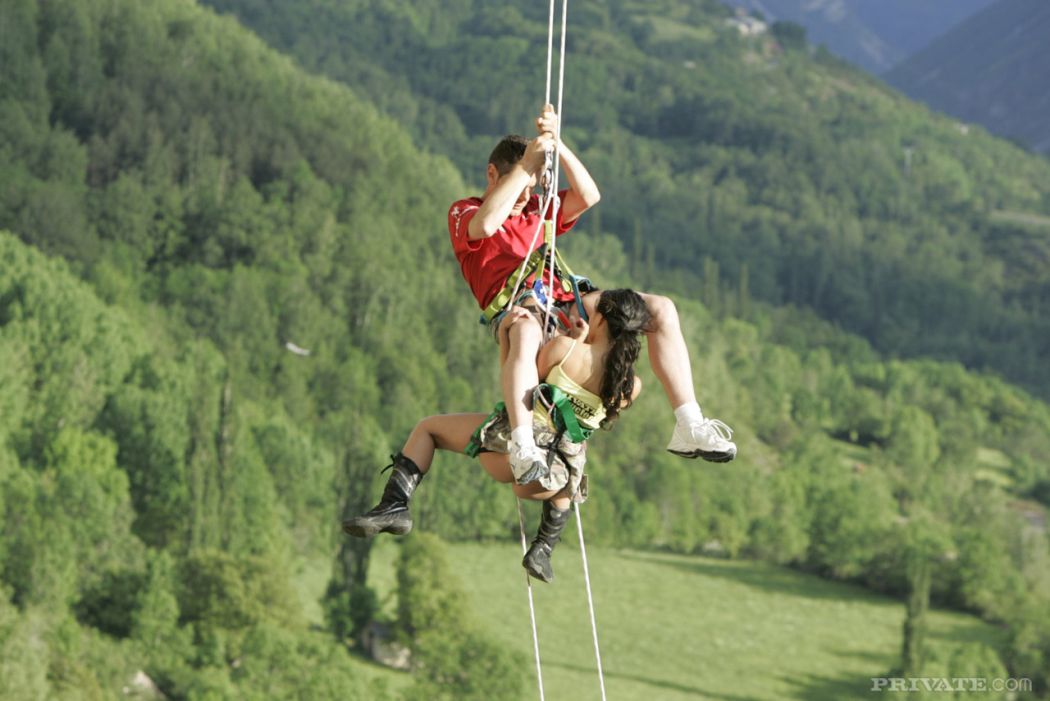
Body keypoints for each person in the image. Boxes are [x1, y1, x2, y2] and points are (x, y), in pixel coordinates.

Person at [447, 105, 736, 483]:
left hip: (566, 299)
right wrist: (527, 165)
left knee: (661, 309)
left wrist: (557, 143)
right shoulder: (465, 211)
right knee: (526, 331)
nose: (526, 194)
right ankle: (522, 443)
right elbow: (485, 225)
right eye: (520, 184)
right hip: (520, 307)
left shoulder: (536, 209)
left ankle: (689, 422)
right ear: (492, 174)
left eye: (533, 185)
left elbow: (588, 195)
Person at [344, 289, 649, 583]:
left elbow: (518, 386)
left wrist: (506, 334)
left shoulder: (563, 349)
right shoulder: (630, 387)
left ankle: (395, 505)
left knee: (428, 429)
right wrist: (581, 341)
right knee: (572, 442)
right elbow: (586, 391)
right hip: (553, 482)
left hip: (510, 456)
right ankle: (543, 547)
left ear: (600, 319)